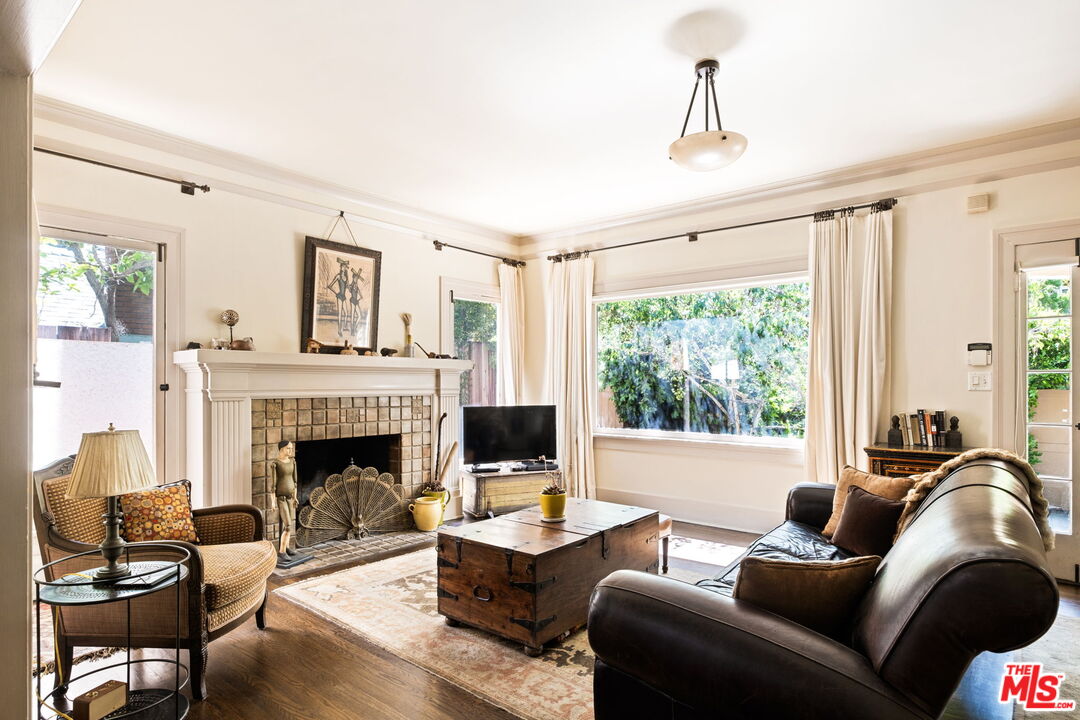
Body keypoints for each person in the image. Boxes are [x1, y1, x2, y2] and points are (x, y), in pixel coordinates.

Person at [269, 440, 299, 559]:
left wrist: (295, 497)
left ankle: (286, 547)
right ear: (281, 449)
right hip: (281, 499)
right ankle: (281, 551)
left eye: (291, 448)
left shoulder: (293, 462)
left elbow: (295, 482)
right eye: (288, 448)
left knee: (288, 524)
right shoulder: (276, 464)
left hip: (290, 498)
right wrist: (272, 502)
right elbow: (273, 486)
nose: (290, 450)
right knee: (287, 525)